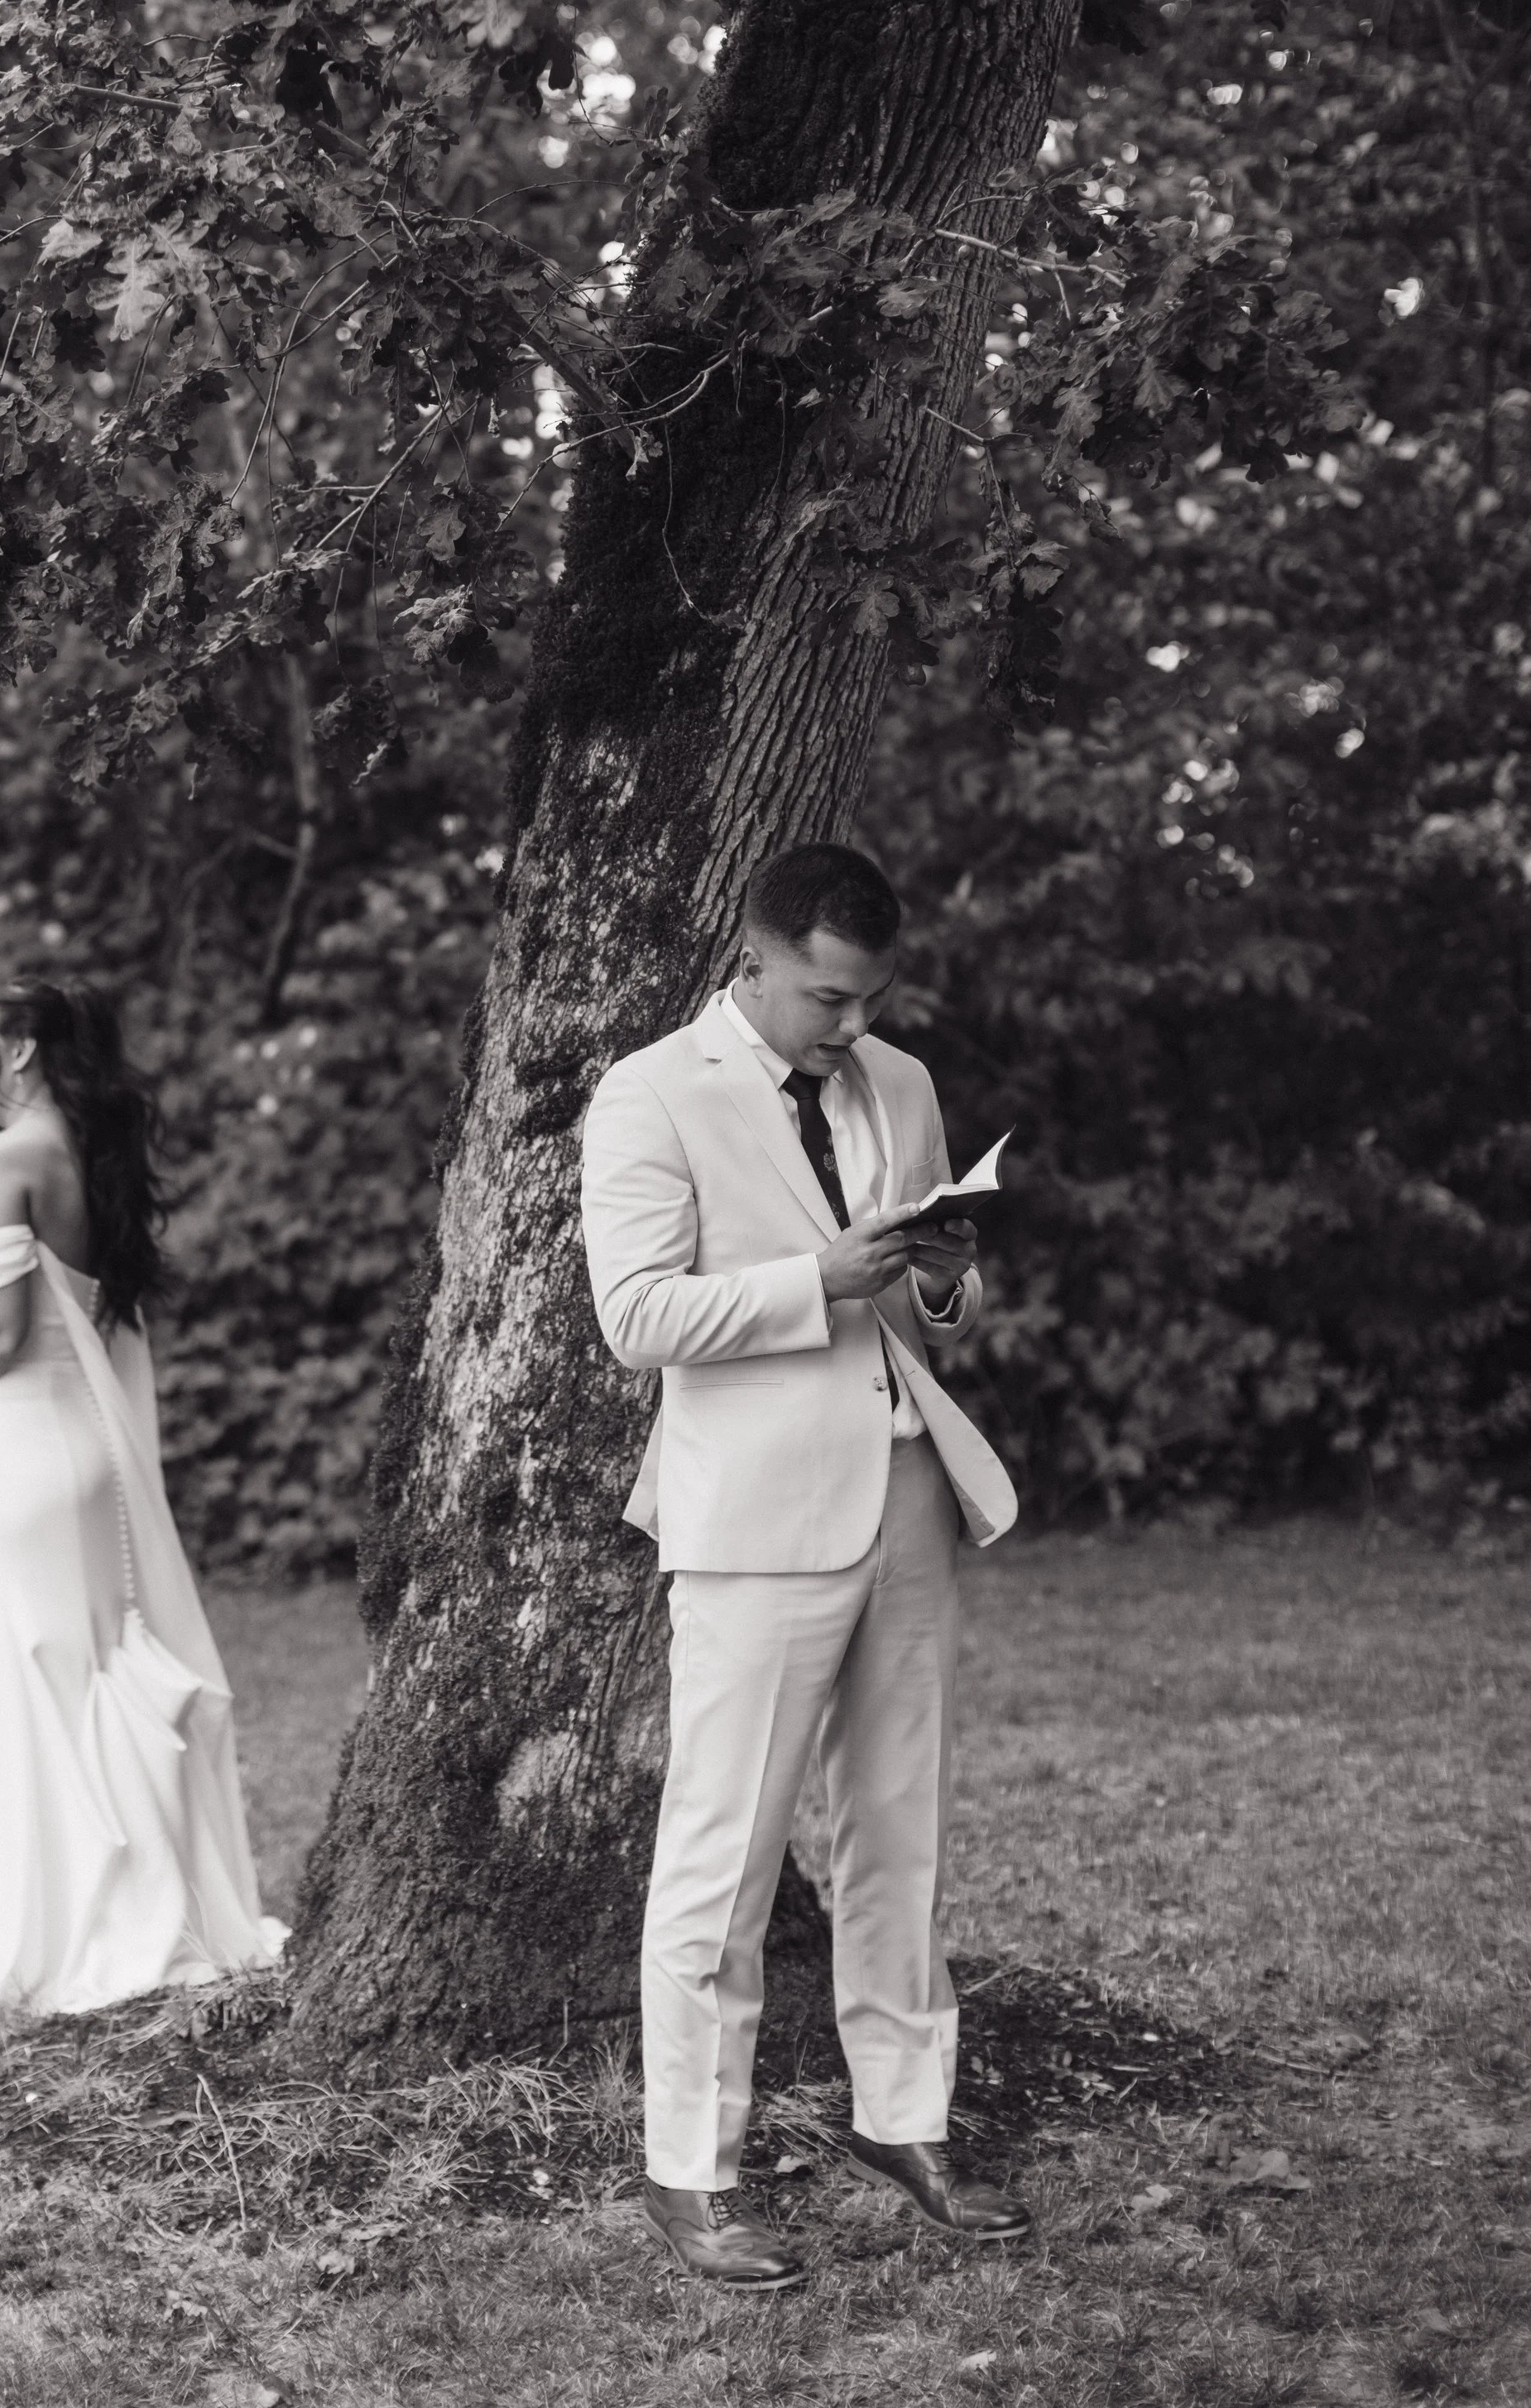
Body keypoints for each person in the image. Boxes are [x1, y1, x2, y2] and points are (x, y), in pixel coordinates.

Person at [579, 842, 1029, 2290]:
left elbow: (933, 1300)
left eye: (872, 997)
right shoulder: (652, 1092)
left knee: (902, 1826)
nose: (853, 1024)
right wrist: (813, 1282)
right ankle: (690, 2170)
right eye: (829, 997)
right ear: (755, 959)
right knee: (723, 1854)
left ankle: (908, 2120)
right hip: (755, 1519)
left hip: (908, 1486)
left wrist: (944, 1279)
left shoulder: (899, 1082)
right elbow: (636, 1315)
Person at [0, 976, 284, 2016]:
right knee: (78, 1674)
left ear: (23, 1049)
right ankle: (123, 1906)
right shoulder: (86, 1152)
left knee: (35, 1685)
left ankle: (80, 1931)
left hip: (23, 1464)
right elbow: (65, 1327)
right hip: (76, 1450)